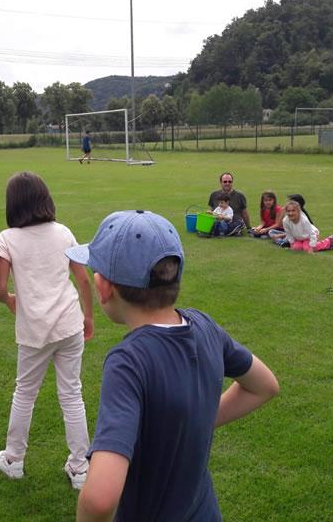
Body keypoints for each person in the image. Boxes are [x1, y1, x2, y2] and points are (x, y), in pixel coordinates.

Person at [67, 210, 279, 521]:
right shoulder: (205, 326)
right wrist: (193, 423)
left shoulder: (127, 363)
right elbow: (264, 386)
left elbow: (100, 499)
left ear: (102, 287)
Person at [0, 171, 94, 490]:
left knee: (25, 393)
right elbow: (83, 279)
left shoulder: (7, 238)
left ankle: (14, 459)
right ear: (44, 198)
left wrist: (11, 301)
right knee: (71, 393)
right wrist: (88, 317)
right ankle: (80, 467)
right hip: (69, 323)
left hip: (34, 330)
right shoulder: (63, 233)